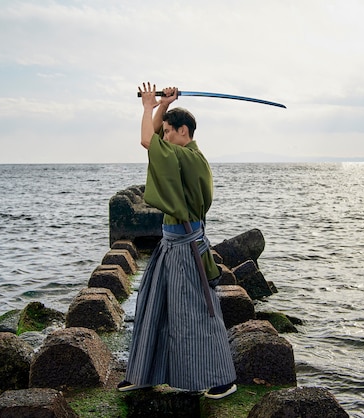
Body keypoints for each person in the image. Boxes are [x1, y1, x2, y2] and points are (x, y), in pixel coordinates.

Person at [117, 82, 237, 399]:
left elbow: (146, 138)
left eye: (169, 132)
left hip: (186, 247)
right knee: (152, 305)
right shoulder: (182, 155)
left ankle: (222, 378)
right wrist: (164, 105)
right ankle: (144, 373)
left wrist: (147, 106)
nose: (164, 137)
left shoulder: (188, 160)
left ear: (183, 132)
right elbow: (154, 137)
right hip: (170, 244)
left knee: (197, 311)